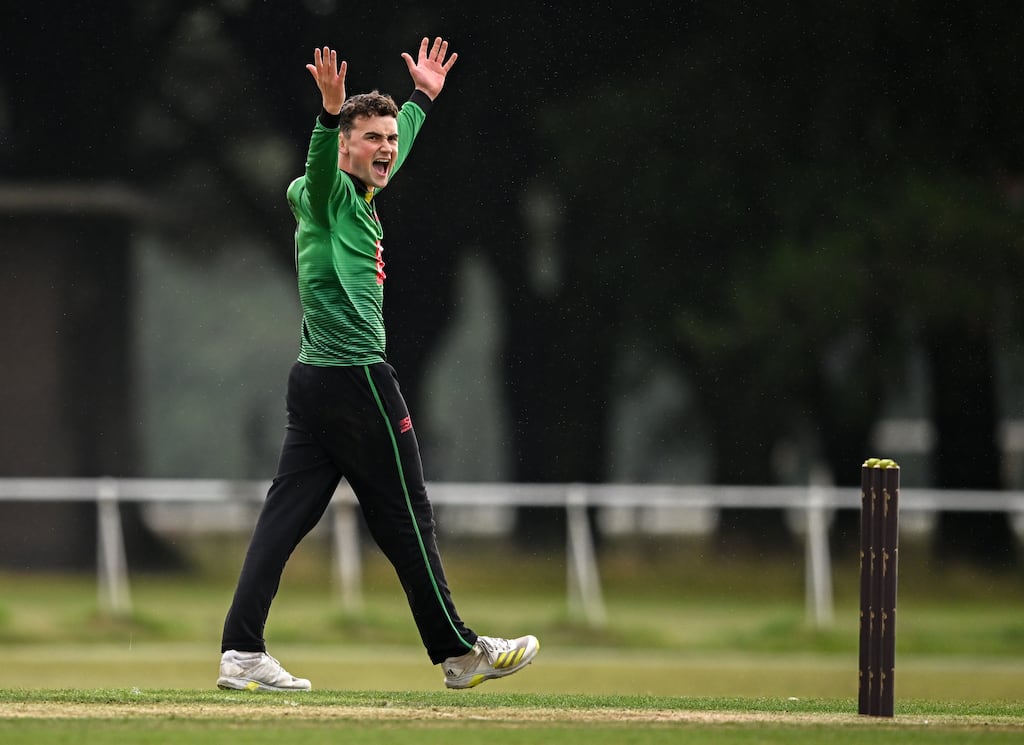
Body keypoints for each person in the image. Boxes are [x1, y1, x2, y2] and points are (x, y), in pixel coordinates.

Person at [216, 38, 539, 692]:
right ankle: (459, 651)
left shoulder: (349, 193)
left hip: (313, 381)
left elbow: (390, 149)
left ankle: (241, 649)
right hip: (359, 377)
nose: (387, 146)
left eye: (390, 137)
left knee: (286, 516)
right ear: (342, 146)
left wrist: (420, 101)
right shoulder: (330, 192)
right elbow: (324, 163)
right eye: (373, 138)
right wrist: (329, 117)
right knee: (408, 516)